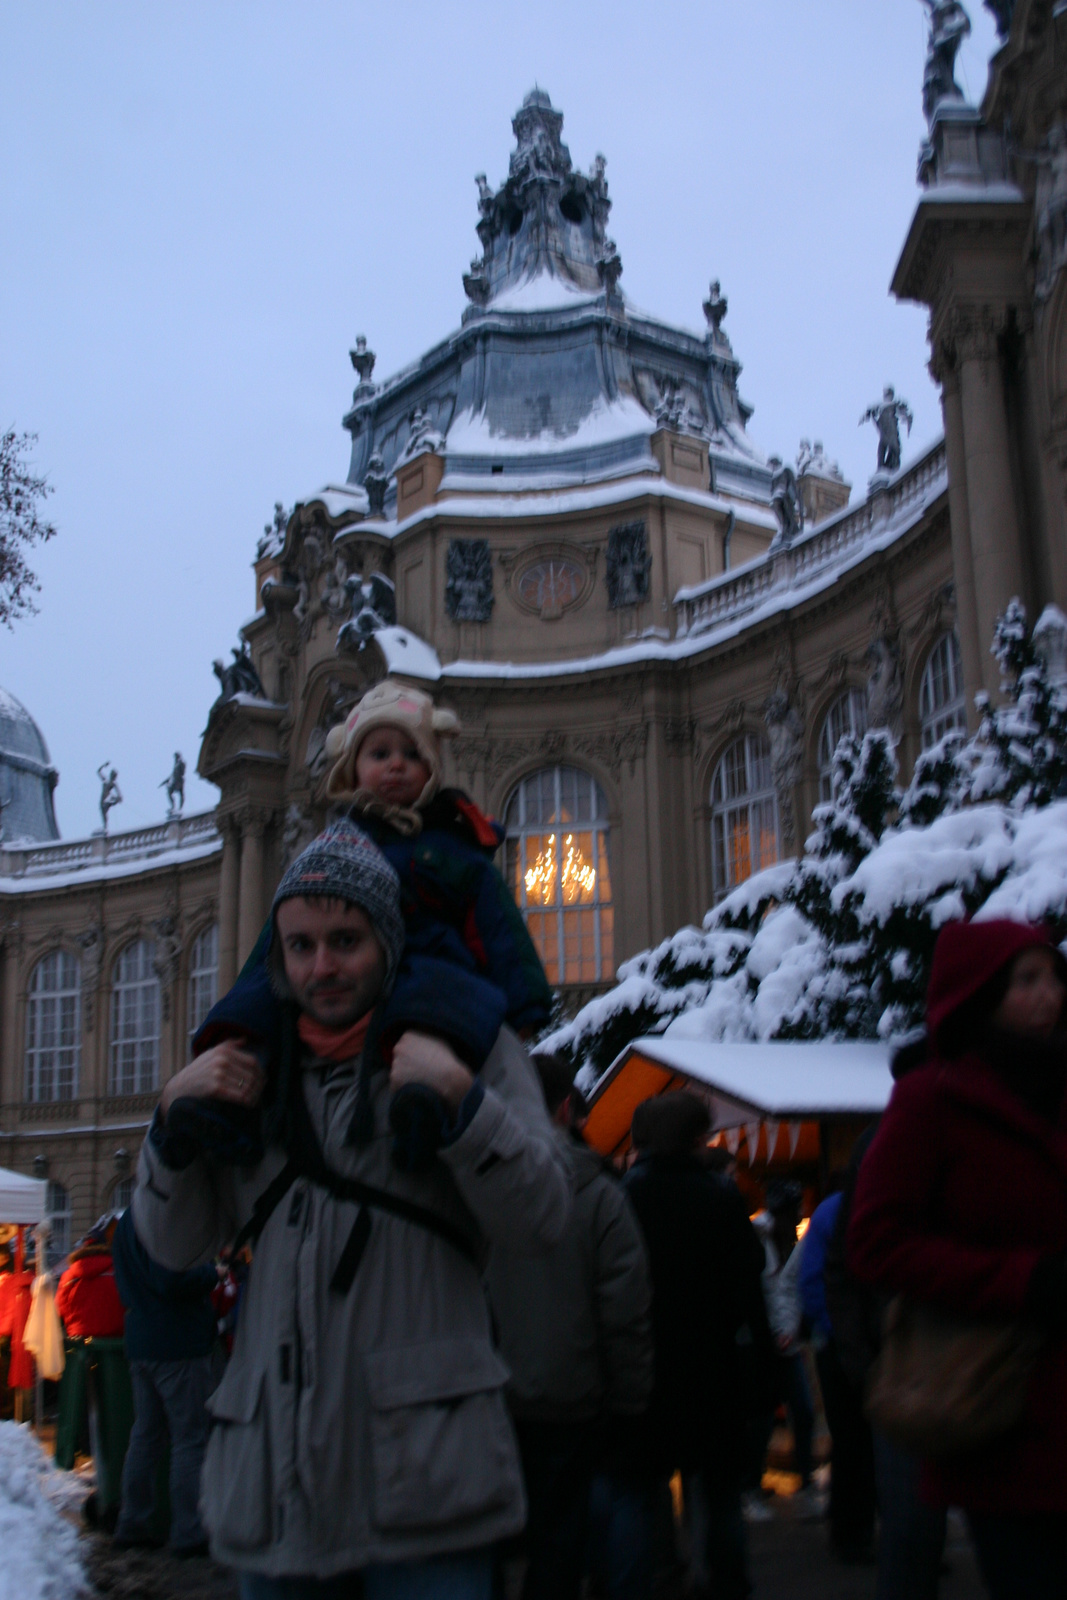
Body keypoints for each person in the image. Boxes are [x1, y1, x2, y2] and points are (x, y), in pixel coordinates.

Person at [131, 820, 571, 1598]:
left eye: (346, 940)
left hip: (424, 1486)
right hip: (277, 1486)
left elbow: (541, 1217)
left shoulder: (470, 1043)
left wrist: (465, 1106)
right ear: (278, 954)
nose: (323, 966)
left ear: (388, 941)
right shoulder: (247, 1070)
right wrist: (166, 1129)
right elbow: (173, 1248)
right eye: (301, 945)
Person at [848, 919, 1067, 1600]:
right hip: (1001, 1402)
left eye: (1052, 977)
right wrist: (1017, 1281)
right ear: (979, 995)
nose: (1049, 996)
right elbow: (876, 1241)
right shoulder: (930, 1101)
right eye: (1025, 981)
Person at [485, 1053, 653, 1600]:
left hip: (487, 1398)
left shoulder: (473, 1184)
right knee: (559, 1551)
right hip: (569, 1399)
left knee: (484, 1546)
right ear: (565, 1109)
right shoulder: (600, 1194)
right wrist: (629, 1401)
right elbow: (624, 1309)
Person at [322, 679, 552, 1035]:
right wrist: (236, 1026)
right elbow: (283, 939)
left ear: (431, 769)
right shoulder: (333, 849)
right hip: (356, 1002)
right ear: (352, 770)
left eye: (413, 754)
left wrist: (526, 1006)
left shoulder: (453, 846)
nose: (397, 764)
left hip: (441, 999)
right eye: (380, 754)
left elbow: (499, 927)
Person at [624, 1092, 773, 1600]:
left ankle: (662, 1571)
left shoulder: (629, 1194)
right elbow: (749, 1277)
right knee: (718, 1489)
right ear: (694, 1138)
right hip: (714, 1363)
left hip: (651, 1362)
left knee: (649, 1484)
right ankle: (725, 1579)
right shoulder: (720, 1196)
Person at [111, 1207, 219, 1556]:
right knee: (190, 1438)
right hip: (177, 1342)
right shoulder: (163, 1217)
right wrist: (211, 1273)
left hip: (141, 1341)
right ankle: (189, 1531)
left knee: (146, 1435)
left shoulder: (126, 1221)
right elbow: (172, 1279)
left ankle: (132, 1523)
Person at [798, 1182, 875, 1564]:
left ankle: (853, 1528)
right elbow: (811, 1282)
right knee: (857, 1441)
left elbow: (810, 1281)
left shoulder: (829, 1212)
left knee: (851, 1441)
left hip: (841, 1341)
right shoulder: (840, 1212)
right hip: (861, 1342)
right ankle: (855, 1530)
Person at [753, 1181, 817, 1514]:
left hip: (782, 1340)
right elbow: (773, 1290)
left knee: (797, 1411)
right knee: (769, 1414)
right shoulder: (761, 1240)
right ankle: (754, 1481)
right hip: (768, 1342)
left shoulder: (785, 1241)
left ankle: (803, 1479)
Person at [55, 1214, 125, 1340]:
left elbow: (60, 1310)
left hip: (79, 1345)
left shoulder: (68, 1275)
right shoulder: (121, 1271)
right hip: (116, 1344)